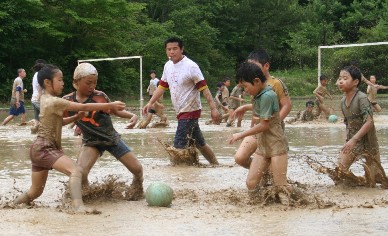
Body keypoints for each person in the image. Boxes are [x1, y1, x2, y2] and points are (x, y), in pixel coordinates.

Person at [13, 64, 126, 213]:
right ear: (47, 82)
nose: (63, 83)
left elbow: (58, 123)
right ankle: (78, 207)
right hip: (45, 147)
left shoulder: (46, 100)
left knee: (35, 192)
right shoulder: (55, 101)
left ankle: (10, 205)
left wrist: (75, 118)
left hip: (38, 149)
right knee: (76, 171)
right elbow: (83, 106)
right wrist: (110, 104)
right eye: (59, 80)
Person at [63, 63, 144, 200]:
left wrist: (132, 116)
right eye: (88, 83)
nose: (92, 86)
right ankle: (86, 194)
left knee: (137, 169)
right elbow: (58, 119)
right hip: (91, 142)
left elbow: (115, 110)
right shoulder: (67, 101)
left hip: (111, 139)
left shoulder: (100, 96)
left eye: (94, 83)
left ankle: (137, 189)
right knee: (80, 173)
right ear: (75, 82)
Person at [143, 37, 220, 165]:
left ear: (181, 49)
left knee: (178, 145)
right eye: (169, 49)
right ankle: (216, 164)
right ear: (166, 51)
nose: (172, 52)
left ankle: (178, 174)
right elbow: (162, 86)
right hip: (180, 111)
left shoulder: (191, 66)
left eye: (175, 49)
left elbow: (204, 89)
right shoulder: (167, 66)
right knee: (200, 143)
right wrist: (150, 102)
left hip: (191, 109)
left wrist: (213, 109)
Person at [228, 62, 291, 201]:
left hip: (276, 144)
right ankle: (259, 208)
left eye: (245, 86)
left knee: (281, 186)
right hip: (263, 145)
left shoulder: (268, 95)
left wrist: (241, 134)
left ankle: (299, 201)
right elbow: (261, 107)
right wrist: (245, 107)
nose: (245, 91)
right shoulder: (260, 94)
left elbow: (264, 125)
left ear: (256, 81)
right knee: (251, 183)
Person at [233, 49, 291, 169]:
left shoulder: (276, 83)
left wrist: (276, 121)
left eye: (254, 65)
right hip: (256, 128)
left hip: (271, 129)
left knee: (272, 162)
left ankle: (268, 174)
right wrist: (245, 107)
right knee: (240, 158)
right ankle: (262, 172)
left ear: (266, 66)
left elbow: (287, 105)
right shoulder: (250, 83)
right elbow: (260, 106)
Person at [333, 65, 388, 187]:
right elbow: (348, 124)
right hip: (353, 142)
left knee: (376, 180)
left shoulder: (361, 98)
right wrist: (349, 140)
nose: (340, 81)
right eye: (339, 78)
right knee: (338, 175)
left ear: (356, 82)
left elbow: (369, 122)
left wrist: (353, 140)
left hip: (369, 143)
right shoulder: (342, 101)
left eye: (345, 78)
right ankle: (356, 182)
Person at [30, 59, 47, 134]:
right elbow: (40, 88)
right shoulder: (40, 75)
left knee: (37, 119)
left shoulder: (35, 74)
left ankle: (33, 134)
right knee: (47, 114)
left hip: (34, 99)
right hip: (38, 99)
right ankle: (44, 133)